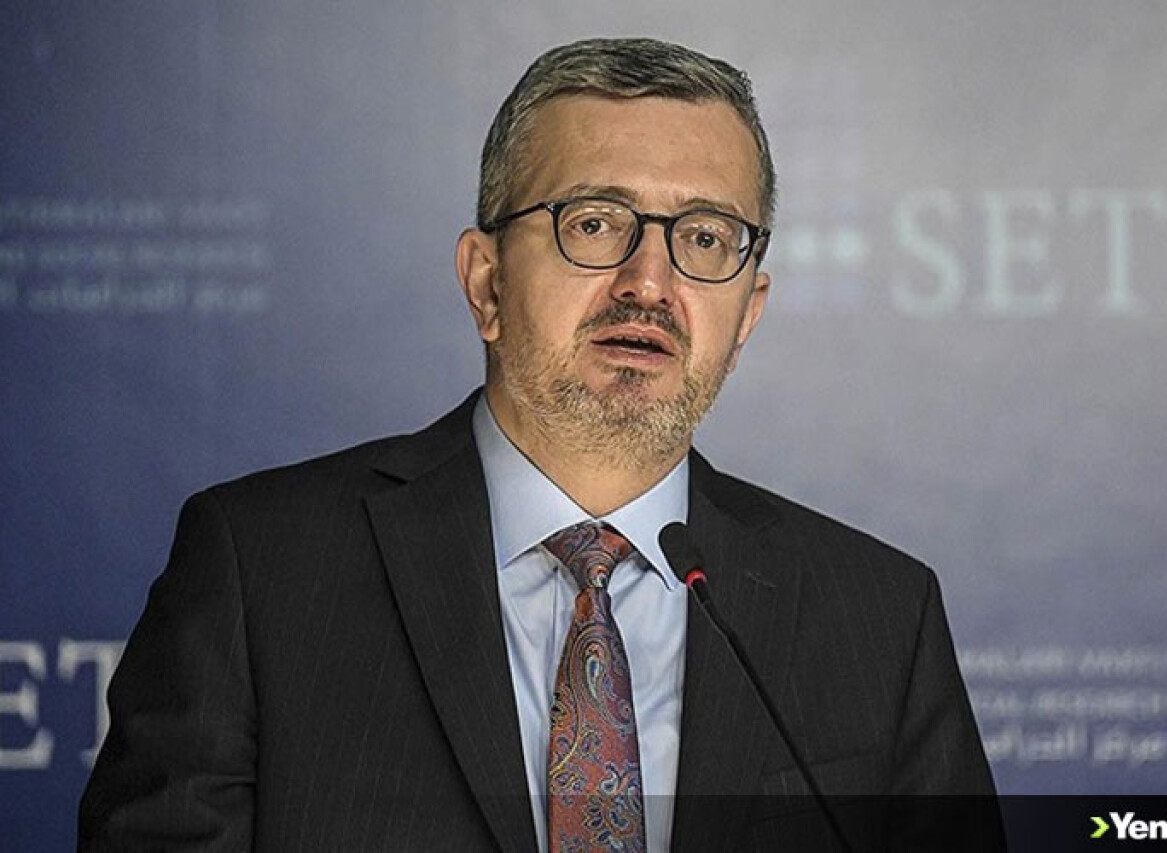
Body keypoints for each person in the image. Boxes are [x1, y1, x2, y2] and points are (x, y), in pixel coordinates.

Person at [80, 37, 997, 852]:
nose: (650, 281)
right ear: (486, 283)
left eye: (706, 237)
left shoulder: (879, 618)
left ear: (748, 312)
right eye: (594, 222)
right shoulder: (263, 570)